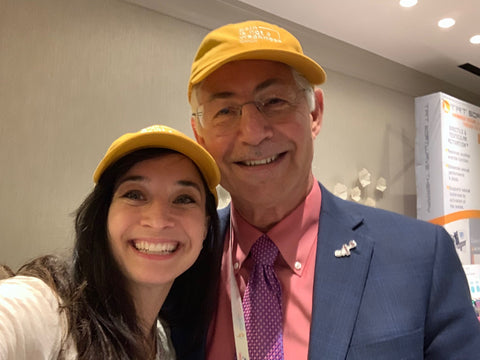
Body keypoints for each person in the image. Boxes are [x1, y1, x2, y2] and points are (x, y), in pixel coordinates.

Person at [184, 20, 480, 359]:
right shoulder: (183, 264)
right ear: (200, 135)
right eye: (224, 111)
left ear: (315, 113)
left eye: (274, 101)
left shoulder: (421, 256)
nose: (252, 133)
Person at [0, 125, 222, 359]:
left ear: (206, 225)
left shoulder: (165, 345)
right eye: (134, 195)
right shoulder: (48, 312)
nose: (157, 221)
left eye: (184, 199)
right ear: (104, 214)